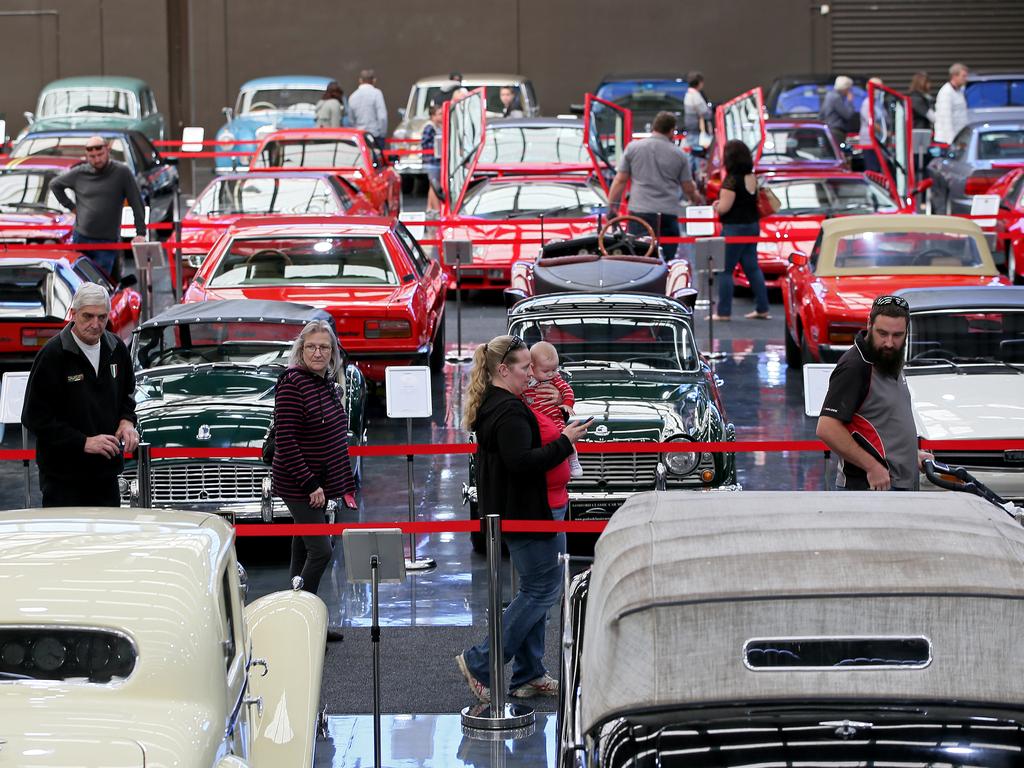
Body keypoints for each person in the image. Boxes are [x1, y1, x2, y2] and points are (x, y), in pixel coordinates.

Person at [456, 335, 590, 702]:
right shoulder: (509, 410)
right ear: (503, 370)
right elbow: (521, 463)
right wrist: (565, 440)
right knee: (541, 589)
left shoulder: (506, 403)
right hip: (528, 512)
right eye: (524, 367)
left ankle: (529, 673)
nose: (532, 373)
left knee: (539, 589)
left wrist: (562, 406)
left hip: (542, 508)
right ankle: (480, 661)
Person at [272, 319, 358, 640]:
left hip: (318, 483)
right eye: (311, 347)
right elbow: (287, 441)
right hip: (300, 483)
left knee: (303, 548)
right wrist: (310, 484)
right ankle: (300, 626)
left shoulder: (324, 382)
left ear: (333, 352)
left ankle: (301, 618)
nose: (318, 352)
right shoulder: (294, 383)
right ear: (301, 350)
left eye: (324, 347)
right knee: (321, 550)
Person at [21, 282, 138, 507]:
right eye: (88, 316)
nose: (95, 324)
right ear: (73, 314)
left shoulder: (116, 348)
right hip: (63, 479)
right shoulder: (53, 356)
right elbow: (35, 418)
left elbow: (127, 394)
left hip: (106, 474)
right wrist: (82, 442)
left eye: (102, 317)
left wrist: (126, 421)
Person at [816, 295, 933, 491]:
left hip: (897, 485)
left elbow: (882, 420)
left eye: (897, 335)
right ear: (869, 324)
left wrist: (910, 456)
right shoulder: (856, 367)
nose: (889, 342)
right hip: (870, 489)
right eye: (882, 333)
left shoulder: (889, 359)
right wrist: (871, 467)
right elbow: (827, 427)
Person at [607, 111, 703, 262]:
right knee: (666, 261)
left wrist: (612, 208)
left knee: (639, 258)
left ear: (653, 127)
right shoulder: (679, 155)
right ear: (671, 130)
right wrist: (697, 198)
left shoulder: (633, 148)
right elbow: (688, 187)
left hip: (640, 213)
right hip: (667, 215)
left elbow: (620, 181)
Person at [50, 136, 146, 280]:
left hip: (106, 241)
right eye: (92, 156)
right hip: (81, 238)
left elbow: (136, 202)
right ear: (87, 156)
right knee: (79, 282)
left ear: (107, 151)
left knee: (100, 284)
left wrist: (140, 233)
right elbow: (55, 185)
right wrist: (71, 207)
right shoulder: (79, 173)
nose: (97, 159)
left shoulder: (122, 172)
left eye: (100, 155)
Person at [712, 139, 773, 321]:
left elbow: (724, 208)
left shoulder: (731, 181)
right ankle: (762, 308)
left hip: (734, 229)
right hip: (752, 226)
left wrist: (716, 205)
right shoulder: (752, 177)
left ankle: (723, 312)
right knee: (752, 268)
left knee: (725, 270)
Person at [523, 341, 583, 479]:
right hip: (535, 420)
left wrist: (567, 403)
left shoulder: (555, 380)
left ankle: (573, 459)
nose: (551, 374)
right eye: (545, 371)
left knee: (565, 437)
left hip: (554, 417)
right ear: (531, 367)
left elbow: (567, 390)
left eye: (554, 369)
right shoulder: (525, 380)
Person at [348, 68, 388, 147]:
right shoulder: (377, 93)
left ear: (360, 80)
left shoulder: (353, 96)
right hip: (375, 136)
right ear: (374, 80)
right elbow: (382, 117)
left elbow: (351, 120)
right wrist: (382, 134)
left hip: (360, 137)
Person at [934, 62, 969, 145]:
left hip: (958, 137)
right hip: (947, 140)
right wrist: (952, 141)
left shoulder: (959, 91)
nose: (966, 79)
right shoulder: (946, 92)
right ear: (954, 76)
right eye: (963, 76)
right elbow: (946, 118)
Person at [821, 76, 858, 146]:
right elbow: (847, 115)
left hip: (829, 129)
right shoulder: (836, 98)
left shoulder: (829, 95)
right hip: (836, 131)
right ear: (845, 88)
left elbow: (821, 114)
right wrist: (850, 101)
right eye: (849, 89)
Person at [858, 77, 885, 173]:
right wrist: (884, 132)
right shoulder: (867, 103)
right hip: (869, 141)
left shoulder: (878, 103)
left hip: (878, 140)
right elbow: (871, 122)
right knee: (873, 169)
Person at [421, 104, 444, 214]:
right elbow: (425, 143)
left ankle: (430, 208)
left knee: (433, 185)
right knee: (435, 185)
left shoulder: (438, 126)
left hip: (437, 161)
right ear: (433, 116)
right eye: (440, 114)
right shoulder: (429, 127)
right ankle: (436, 209)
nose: (442, 115)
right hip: (432, 162)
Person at [682, 71, 711, 147]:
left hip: (691, 128)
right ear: (699, 83)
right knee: (696, 152)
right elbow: (705, 113)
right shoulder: (695, 96)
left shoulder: (688, 94)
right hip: (696, 130)